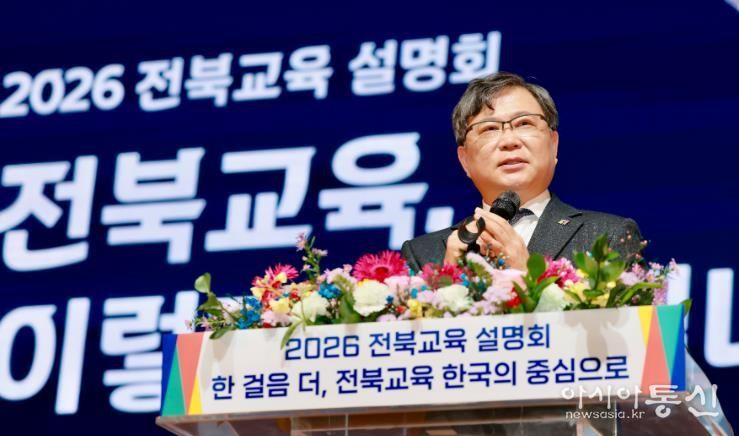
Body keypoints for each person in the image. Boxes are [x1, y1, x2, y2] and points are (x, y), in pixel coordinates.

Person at [401, 72, 642, 272]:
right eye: (489, 128)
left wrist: (527, 274)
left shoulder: (608, 235)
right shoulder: (423, 254)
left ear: (554, 145)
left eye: (524, 123)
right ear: (464, 160)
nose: (509, 141)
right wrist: (446, 283)